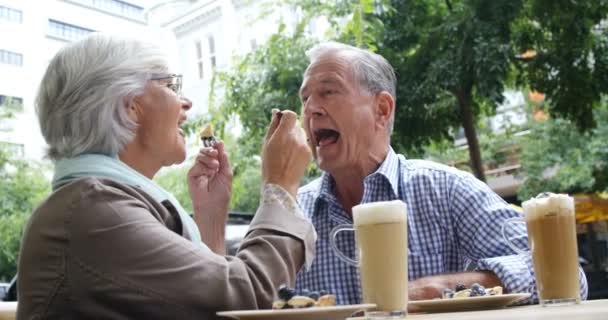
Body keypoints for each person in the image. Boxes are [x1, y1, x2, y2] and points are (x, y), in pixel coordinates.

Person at [17, 33, 314, 319]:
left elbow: (196, 307)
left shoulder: (98, 203)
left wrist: (209, 218)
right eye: (171, 86)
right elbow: (244, 300)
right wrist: (280, 188)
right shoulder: (95, 211)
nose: (186, 103)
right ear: (130, 106)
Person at [294, 41, 588, 305]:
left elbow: (564, 275)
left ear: (382, 110)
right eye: (305, 98)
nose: (311, 110)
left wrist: (437, 289)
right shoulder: (292, 213)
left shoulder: (447, 191)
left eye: (328, 91)